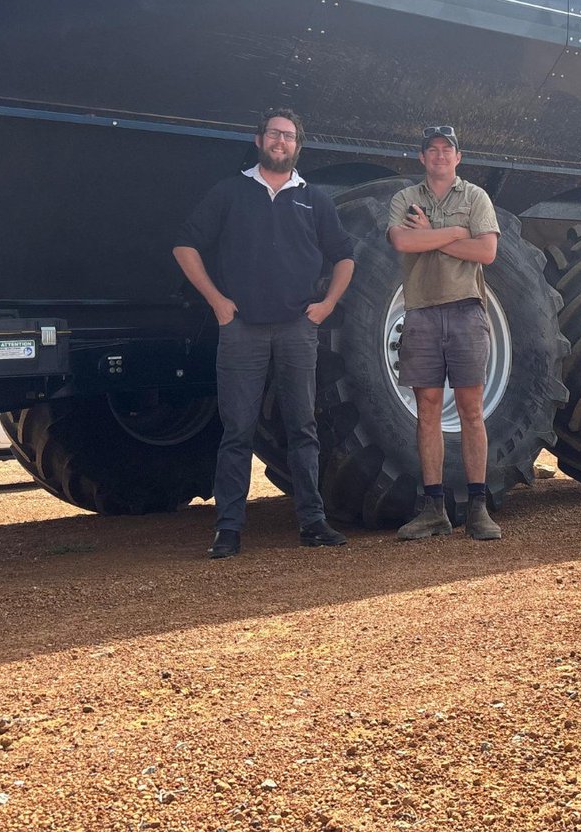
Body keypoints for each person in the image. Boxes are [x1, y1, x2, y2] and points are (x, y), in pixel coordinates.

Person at [173, 108, 355, 558]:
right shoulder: (230, 192)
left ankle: (312, 523)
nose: (281, 141)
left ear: (298, 146)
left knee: (303, 428)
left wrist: (327, 306)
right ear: (259, 140)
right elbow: (185, 245)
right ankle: (228, 530)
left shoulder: (314, 199)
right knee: (237, 430)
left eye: (289, 136)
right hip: (242, 331)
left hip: (297, 329)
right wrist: (217, 302)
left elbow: (344, 256)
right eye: (274, 133)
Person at [387, 125, 502, 541]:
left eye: (446, 149)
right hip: (420, 312)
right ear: (422, 158)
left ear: (458, 157)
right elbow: (402, 242)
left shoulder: (475, 197)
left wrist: (430, 236)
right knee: (428, 410)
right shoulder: (405, 199)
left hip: (466, 311)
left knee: (471, 409)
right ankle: (434, 508)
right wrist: (456, 233)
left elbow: (486, 251)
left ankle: (478, 507)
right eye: (432, 149)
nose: (439, 155)